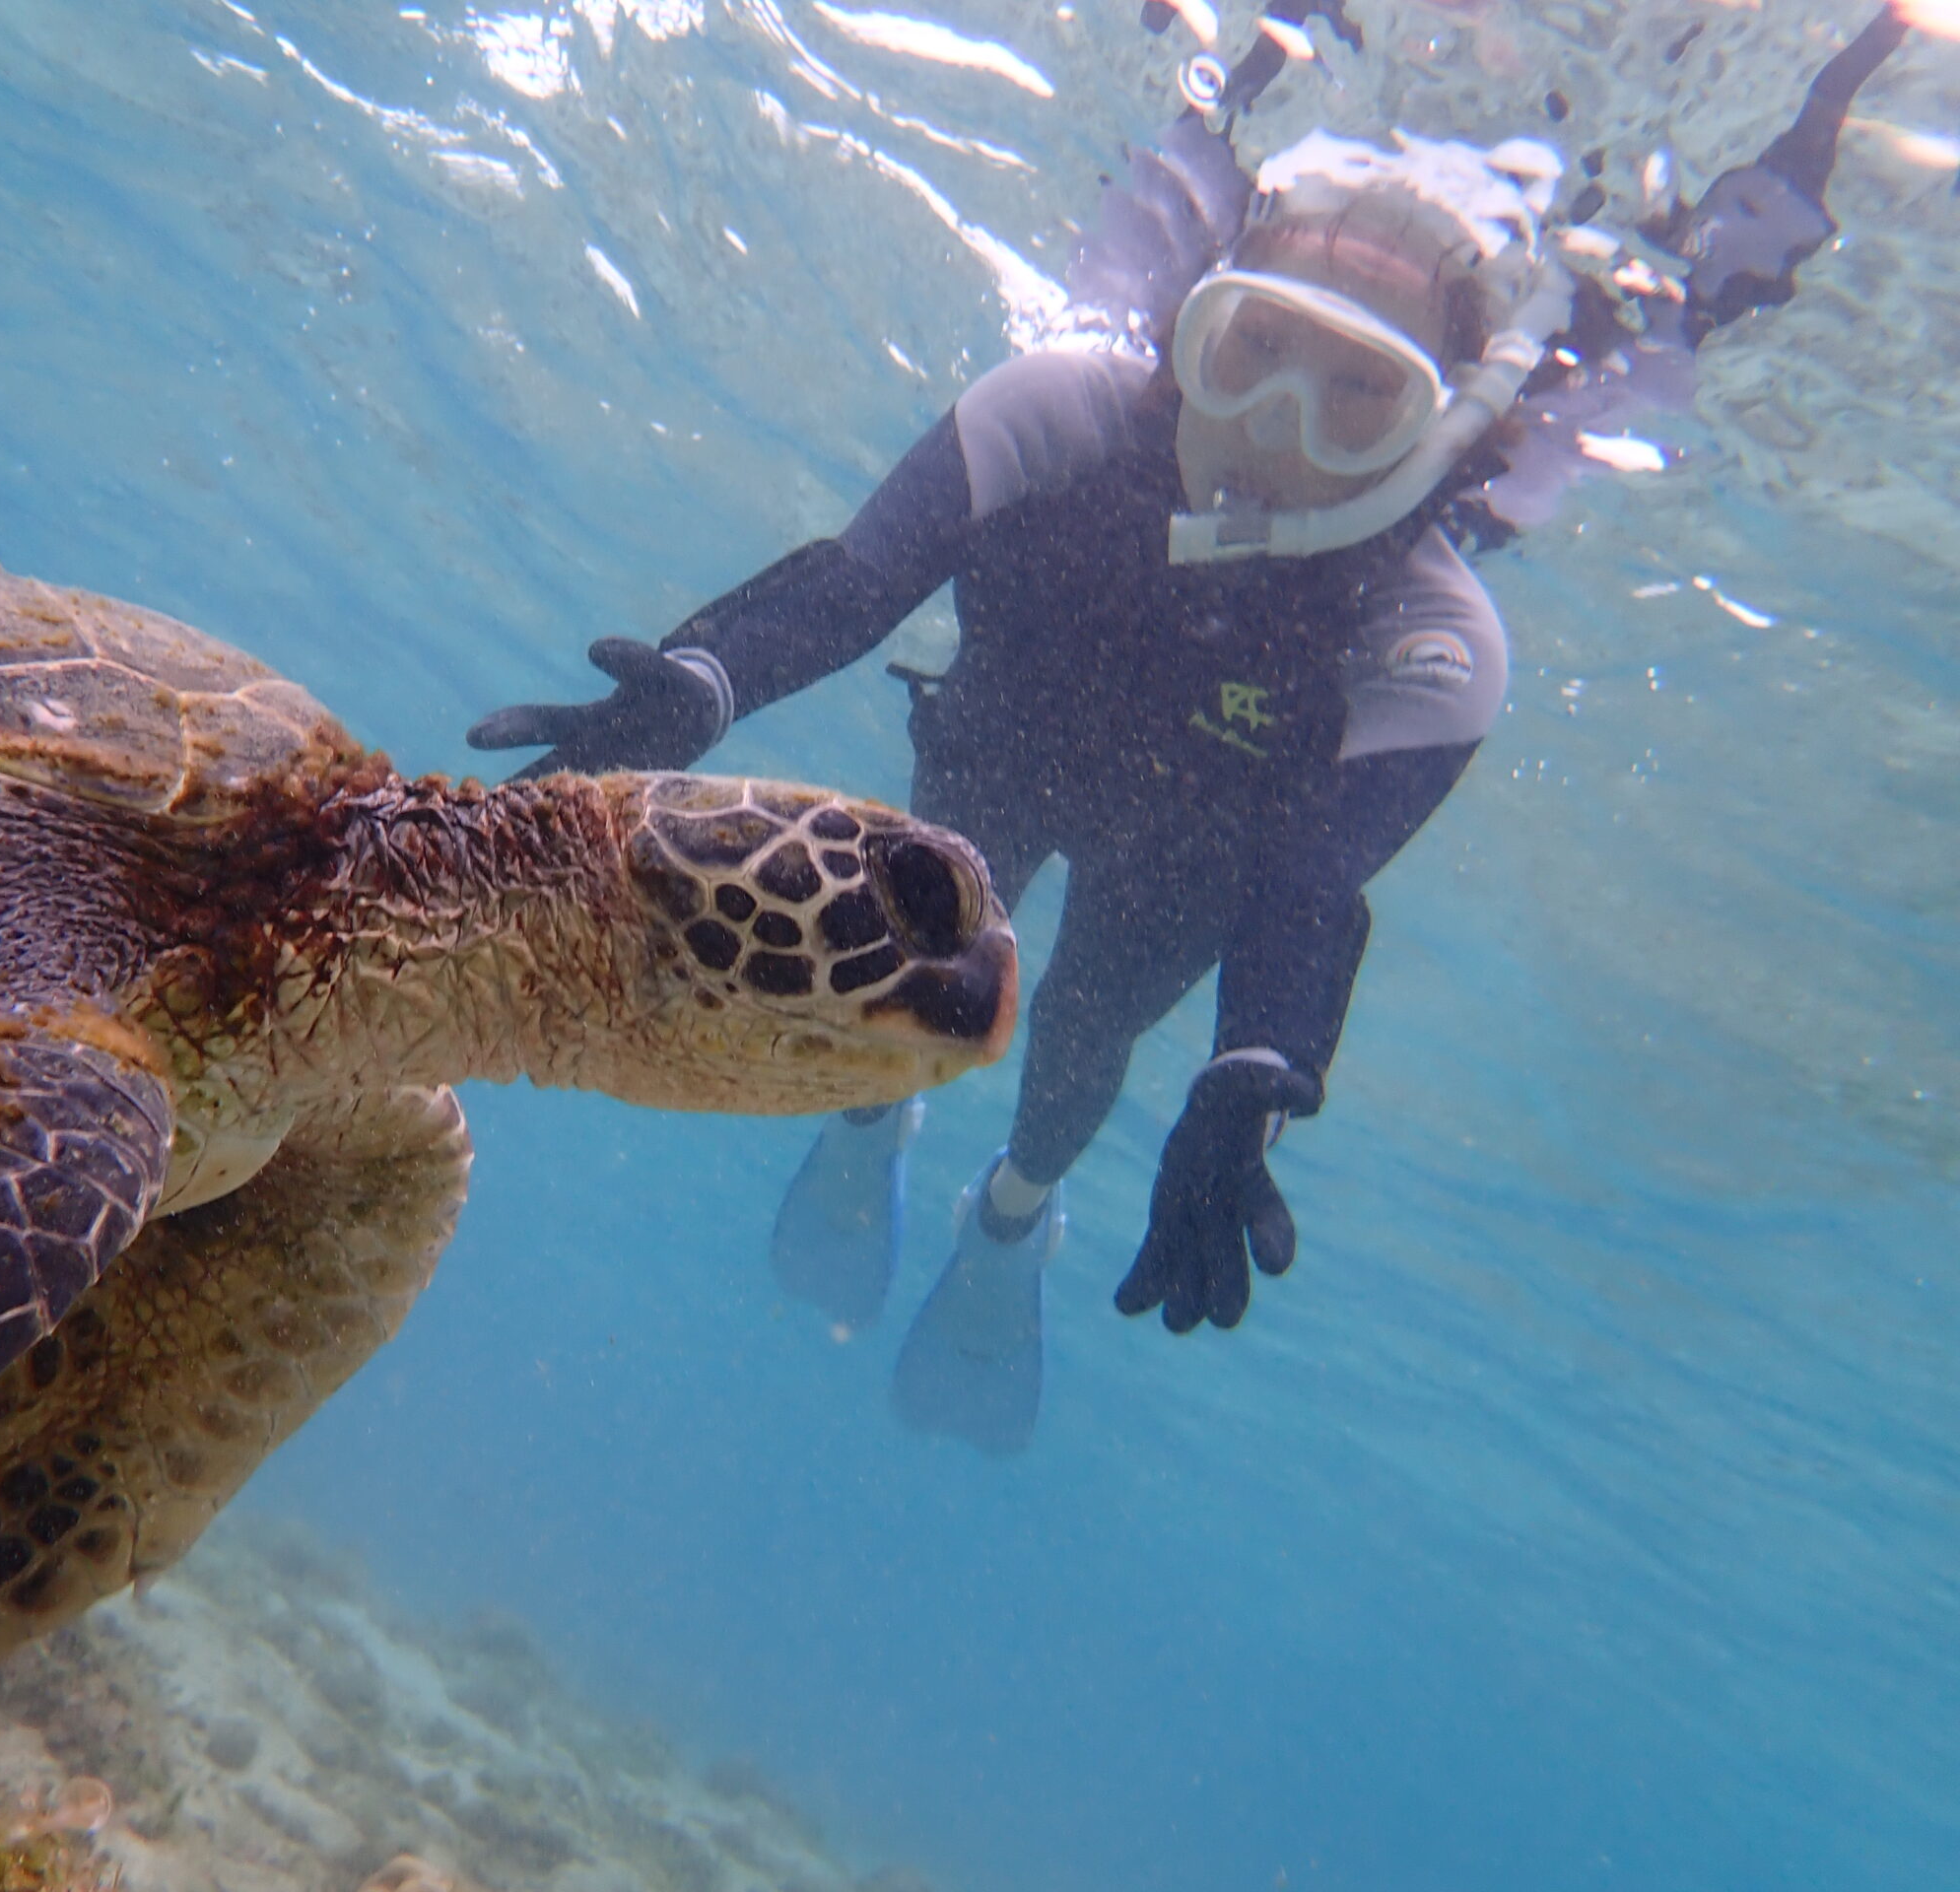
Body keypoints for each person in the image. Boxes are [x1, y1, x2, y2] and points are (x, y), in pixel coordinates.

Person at [467, 8, 1916, 1454]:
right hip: (1004, 743)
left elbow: (1308, 884)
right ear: (1188, 332)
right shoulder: (1066, 409)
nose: (1282, 426)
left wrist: (1255, 1075)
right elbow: (855, 583)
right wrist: (699, 681)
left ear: (1434, 436)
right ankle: (871, 1120)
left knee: (1082, 1036)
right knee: (914, 949)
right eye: (1256, 352)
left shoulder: (1431, 627)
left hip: (1192, 854)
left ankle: (1011, 1216)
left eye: (1359, 399)